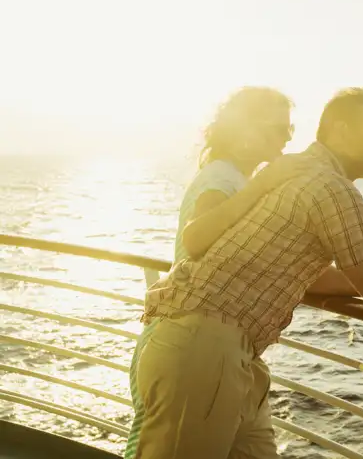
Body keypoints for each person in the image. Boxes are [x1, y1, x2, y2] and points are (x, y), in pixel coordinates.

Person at [135, 87, 363, 459]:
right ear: (341, 131)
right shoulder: (333, 191)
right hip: (206, 351)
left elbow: (302, 272)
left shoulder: (293, 175)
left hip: (225, 352)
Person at [124, 86, 300, 459]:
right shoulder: (222, 178)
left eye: (290, 128)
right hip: (195, 348)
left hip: (231, 352)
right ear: (245, 130)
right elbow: (198, 235)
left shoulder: (239, 182)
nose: (287, 137)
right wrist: (267, 184)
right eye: (278, 128)